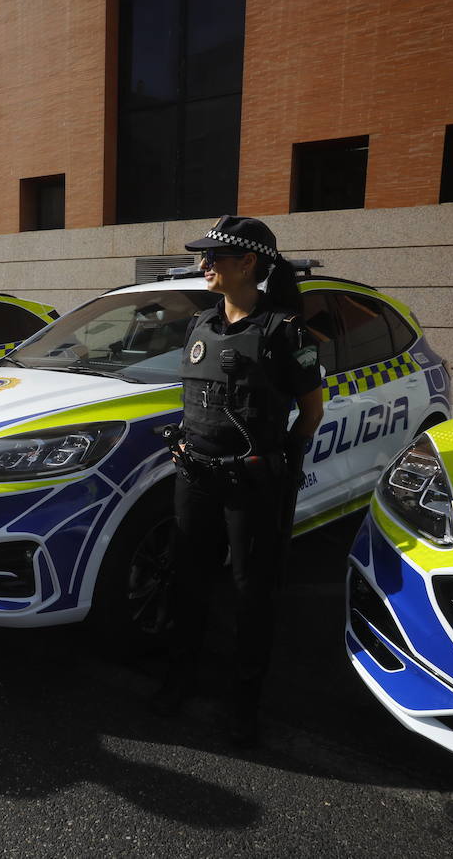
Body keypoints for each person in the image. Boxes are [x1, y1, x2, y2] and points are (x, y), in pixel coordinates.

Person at [152, 215, 324, 747]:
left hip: (250, 484)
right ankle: (179, 679)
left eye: (214, 257)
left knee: (252, 594)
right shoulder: (199, 324)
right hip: (195, 474)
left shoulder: (285, 331)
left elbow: (311, 412)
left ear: (248, 263)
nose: (204, 265)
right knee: (188, 581)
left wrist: (281, 460)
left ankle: (243, 705)